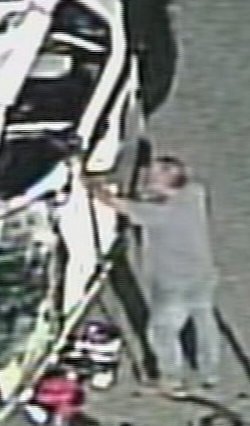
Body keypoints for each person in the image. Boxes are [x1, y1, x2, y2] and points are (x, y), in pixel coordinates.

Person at [87, 156, 221, 397]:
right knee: (204, 323)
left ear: (164, 184)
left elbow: (113, 203)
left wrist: (93, 185)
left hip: (172, 282)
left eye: (152, 177)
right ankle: (209, 371)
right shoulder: (194, 194)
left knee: (162, 331)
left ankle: (171, 378)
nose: (147, 179)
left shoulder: (157, 213)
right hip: (202, 275)